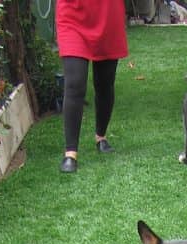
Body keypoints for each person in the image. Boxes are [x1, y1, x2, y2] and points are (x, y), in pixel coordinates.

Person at [56, 0, 129, 173]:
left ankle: (100, 136)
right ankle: (70, 153)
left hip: (108, 16)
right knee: (75, 84)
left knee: (105, 83)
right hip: (72, 15)